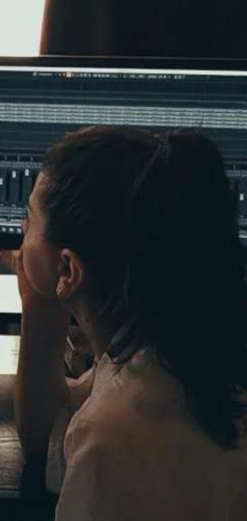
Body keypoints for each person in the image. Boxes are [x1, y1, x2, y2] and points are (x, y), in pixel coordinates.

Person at [14, 126, 247, 520]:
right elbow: (46, 436)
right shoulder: (172, 351)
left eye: (29, 218)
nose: (22, 230)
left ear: (68, 268)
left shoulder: (109, 436)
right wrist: (40, 306)